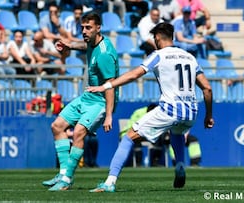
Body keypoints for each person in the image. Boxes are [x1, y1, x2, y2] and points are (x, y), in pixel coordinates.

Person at [87, 22, 214, 192]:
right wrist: (208, 115)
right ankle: (180, 166)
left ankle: (109, 182)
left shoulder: (158, 55)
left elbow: (134, 74)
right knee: (177, 132)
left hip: (170, 108)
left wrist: (107, 86)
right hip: (191, 111)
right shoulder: (189, 57)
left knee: (129, 137)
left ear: (158, 38)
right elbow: (207, 88)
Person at [41, 11, 119, 191]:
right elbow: (86, 46)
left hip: (100, 100)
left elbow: (110, 85)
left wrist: (108, 115)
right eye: (82, 27)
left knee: (78, 132)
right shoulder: (93, 42)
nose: (84, 31)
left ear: (98, 28)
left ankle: (66, 180)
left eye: (88, 28)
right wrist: (69, 45)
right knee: (57, 126)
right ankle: (62, 174)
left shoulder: (105, 54)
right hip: (87, 96)